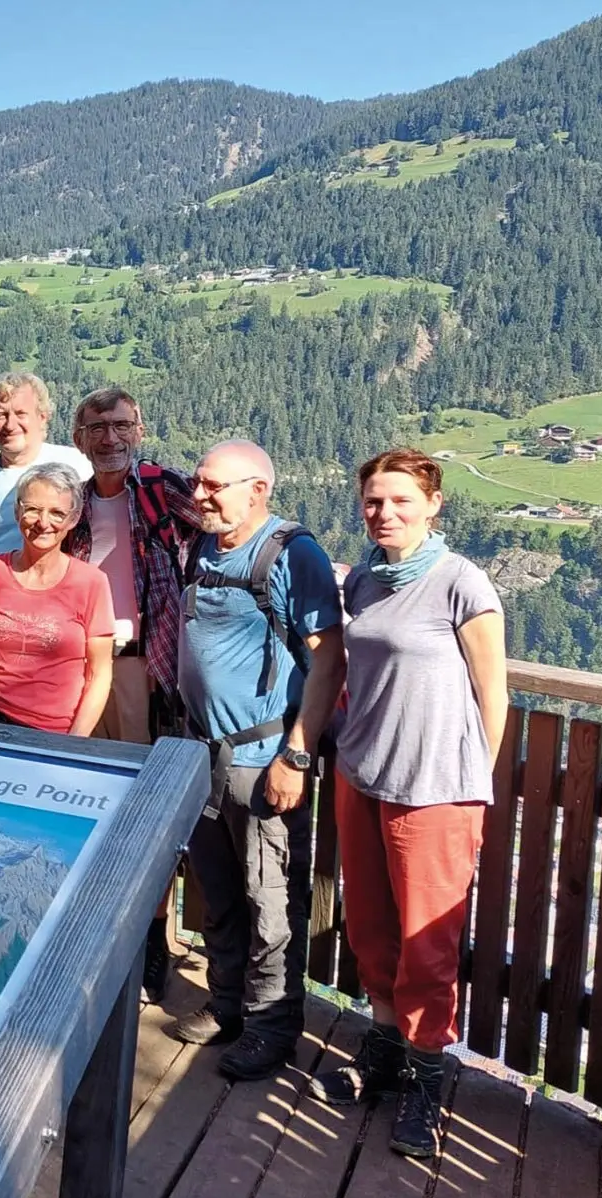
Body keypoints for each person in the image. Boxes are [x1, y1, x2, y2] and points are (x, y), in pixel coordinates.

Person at [309, 448, 506, 1160]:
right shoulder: (362, 577)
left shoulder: (461, 582)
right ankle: (384, 1057)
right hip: (362, 776)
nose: (384, 513)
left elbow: (495, 693)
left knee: (428, 943)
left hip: (435, 792)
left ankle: (425, 1081)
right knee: (370, 929)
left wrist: (472, 786)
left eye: (399, 501)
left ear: (433, 505)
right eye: (373, 502)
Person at [169, 440, 345, 1084]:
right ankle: (227, 1006)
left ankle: (272, 1027)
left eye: (216, 486)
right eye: (199, 483)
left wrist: (296, 756)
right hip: (202, 752)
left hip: (264, 756)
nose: (202, 495)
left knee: (271, 898)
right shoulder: (202, 547)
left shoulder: (292, 555)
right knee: (217, 892)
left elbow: (329, 658)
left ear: (258, 490)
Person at [65, 386, 202, 1004]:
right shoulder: (72, 501)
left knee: (145, 809)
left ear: (139, 428)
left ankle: (152, 942)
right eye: (97, 428)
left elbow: (224, 535)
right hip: (83, 663)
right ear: (78, 438)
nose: (110, 439)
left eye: (120, 426)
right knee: (91, 797)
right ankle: (92, 933)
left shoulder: (165, 488)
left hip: (147, 666)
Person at [0, 462, 114, 735]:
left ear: (73, 520)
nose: (43, 522)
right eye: (33, 510)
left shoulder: (91, 583)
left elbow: (98, 674)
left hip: (52, 732)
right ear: (17, 512)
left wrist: (73, 744)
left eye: (57, 513)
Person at [0, 372, 92, 605]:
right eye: (1, 415)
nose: (10, 425)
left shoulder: (77, 466)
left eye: (21, 414)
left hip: (57, 607)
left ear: (43, 417)